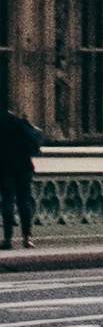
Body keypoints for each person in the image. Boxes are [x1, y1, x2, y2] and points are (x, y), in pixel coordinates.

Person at [0, 100, 37, 245]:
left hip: (5, 168)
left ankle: (8, 238)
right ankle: (27, 237)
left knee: (7, 202)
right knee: (24, 202)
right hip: (23, 166)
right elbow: (33, 141)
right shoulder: (20, 122)